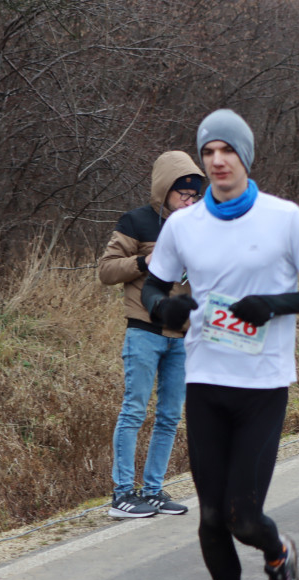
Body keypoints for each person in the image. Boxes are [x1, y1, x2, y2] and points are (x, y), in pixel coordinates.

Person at [142, 110, 299, 580]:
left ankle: (278, 557)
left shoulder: (284, 219)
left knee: (245, 519)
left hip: (262, 386)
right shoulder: (183, 227)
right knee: (210, 519)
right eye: (208, 153)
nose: (217, 162)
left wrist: (273, 306)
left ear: (245, 158)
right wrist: (167, 307)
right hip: (206, 382)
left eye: (226, 151)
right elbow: (153, 289)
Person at [98, 151, 205, 518]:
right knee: (134, 412)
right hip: (144, 331)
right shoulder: (136, 222)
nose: (188, 201)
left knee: (170, 416)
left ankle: (154, 490)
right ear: (164, 190)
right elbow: (107, 271)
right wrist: (147, 260)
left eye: (194, 195)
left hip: (183, 337)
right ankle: (123, 494)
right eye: (182, 194)